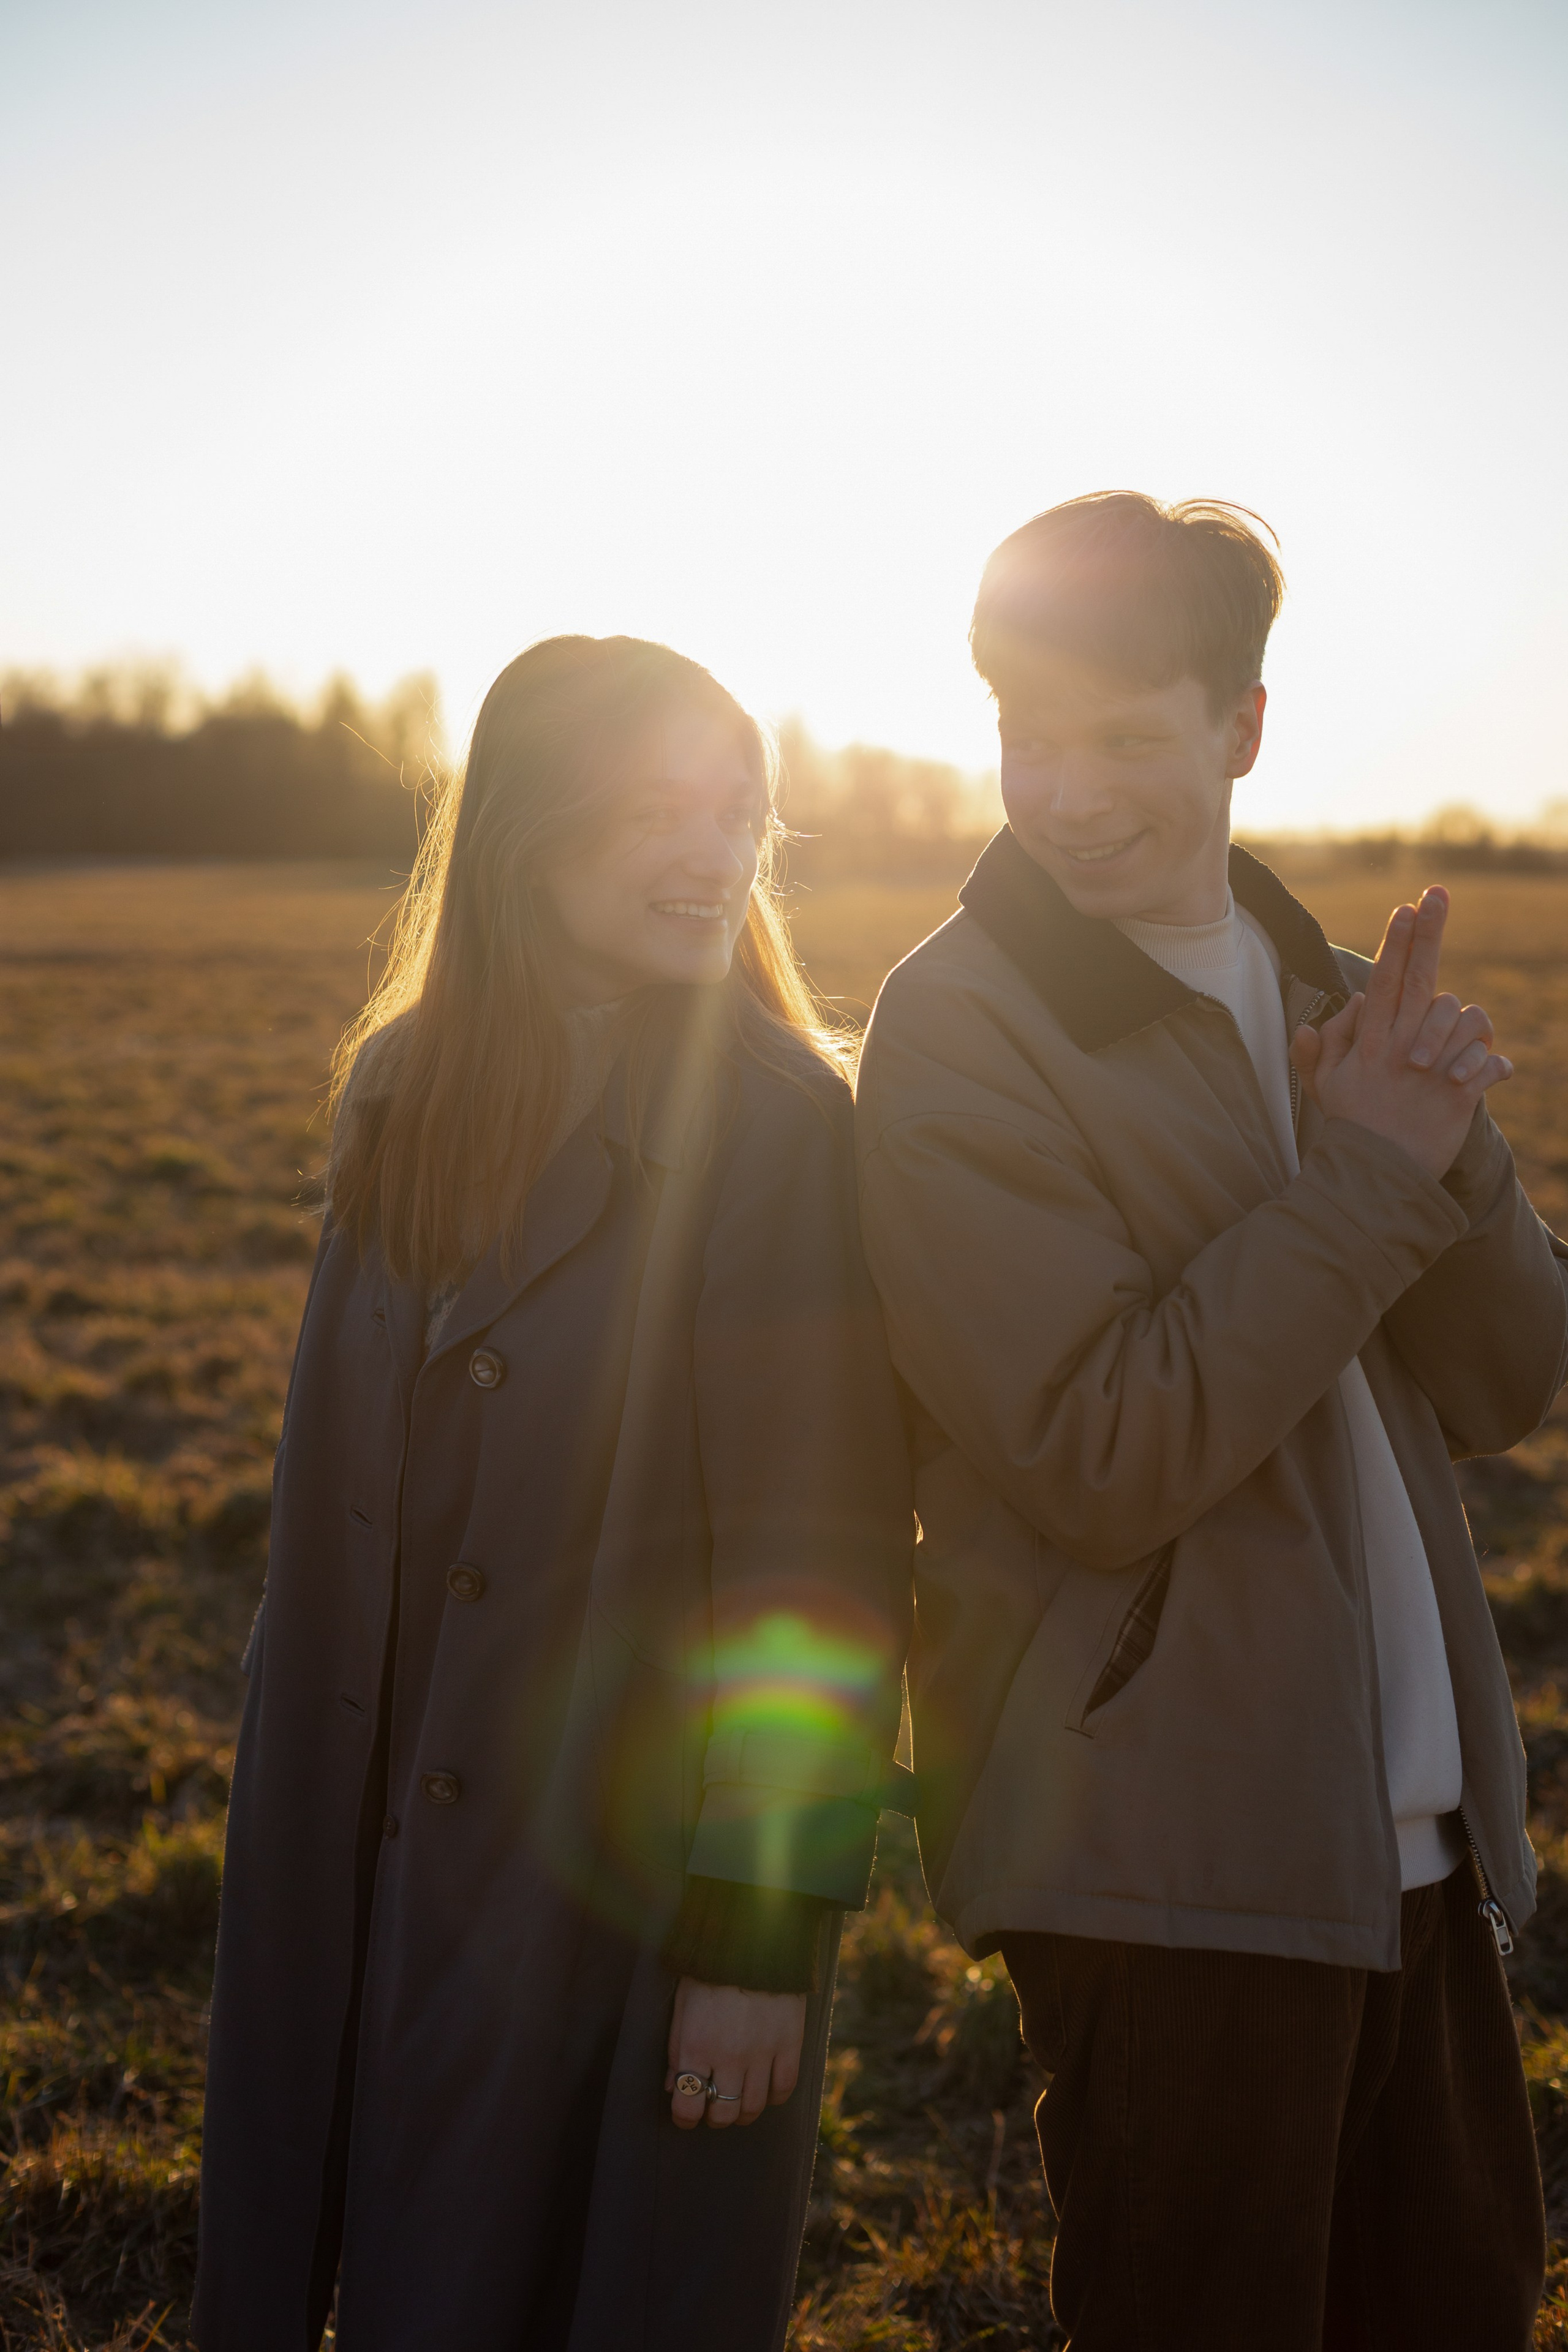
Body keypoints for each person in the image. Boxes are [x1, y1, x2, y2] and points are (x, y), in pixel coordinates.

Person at [853, 494, 1568, 2350]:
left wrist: (1442, 1146)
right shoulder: (959, 1031)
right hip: (1162, 1863)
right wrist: (1356, 1181)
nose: (1064, 793)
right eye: (1026, 739)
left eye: (1121, 740)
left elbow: (1504, 1385)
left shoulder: (1333, 994)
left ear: (1242, 727)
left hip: (1414, 1851)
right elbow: (1102, 1454)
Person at [194, 635, 912, 2352]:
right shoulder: (401, 1095)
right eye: (660, 809)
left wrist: (752, 1945)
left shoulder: (781, 1136)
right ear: (526, 833)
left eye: (738, 811)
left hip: (612, 1885)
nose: (713, 853)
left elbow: (821, 1576)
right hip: (359, 1852)